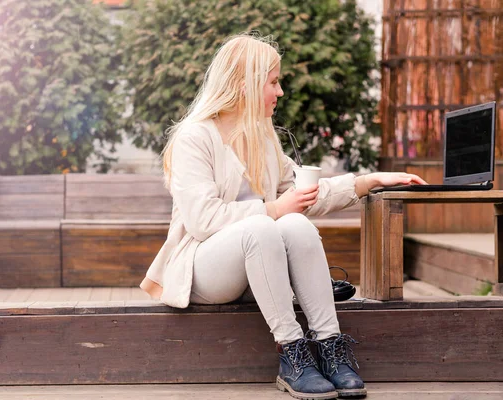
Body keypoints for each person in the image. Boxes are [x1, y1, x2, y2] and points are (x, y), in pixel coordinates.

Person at [140, 33, 427, 400]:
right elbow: (202, 220)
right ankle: (292, 352)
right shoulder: (194, 138)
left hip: (260, 267)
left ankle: (329, 346)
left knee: (294, 223)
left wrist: (369, 181)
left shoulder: (262, 138)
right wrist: (272, 209)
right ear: (244, 84)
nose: (280, 92)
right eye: (273, 82)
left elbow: (305, 197)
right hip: (205, 270)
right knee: (265, 224)